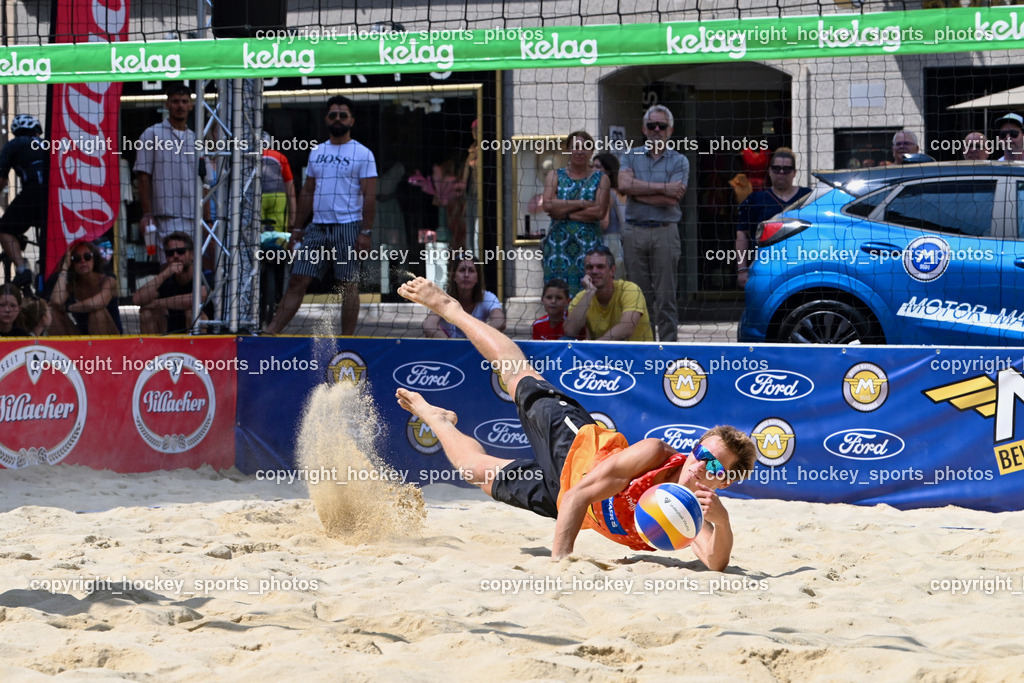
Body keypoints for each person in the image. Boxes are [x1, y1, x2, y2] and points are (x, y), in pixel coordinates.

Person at [395, 275, 756, 570]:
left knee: (475, 472)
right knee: (516, 375)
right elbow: (581, 493)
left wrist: (721, 523)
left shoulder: (689, 514)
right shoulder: (655, 454)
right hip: (574, 448)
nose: (698, 464)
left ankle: (435, 417)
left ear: (722, 479)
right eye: (700, 452)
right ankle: (450, 308)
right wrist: (561, 564)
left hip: (566, 499)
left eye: (713, 465)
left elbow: (714, 561)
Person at [265, 95, 378, 336]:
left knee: (348, 285)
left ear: (352, 120)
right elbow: (307, 191)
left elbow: (370, 196)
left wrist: (366, 232)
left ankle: (348, 341)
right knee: (297, 279)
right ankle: (271, 332)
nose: (338, 119)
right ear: (326, 119)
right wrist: (296, 229)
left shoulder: (363, 153)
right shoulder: (317, 152)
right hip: (317, 227)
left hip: (349, 226)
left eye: (343, 115)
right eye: (333, 115)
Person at [619, 105, 688, 342]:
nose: (656, 130)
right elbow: (624, 186)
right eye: (652, 126)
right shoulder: (630, 154)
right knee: (638, 297)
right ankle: (642, 348)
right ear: (643, 129)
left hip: (665, 231)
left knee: (666, 297)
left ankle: (668, 351)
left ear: (670, 130)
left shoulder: (680, 160)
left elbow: (674, 199)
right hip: (634, 230)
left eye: (662, 126)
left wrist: (638, 191)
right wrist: (664, 188)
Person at [135, 85, 203, 263]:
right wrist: (147, 214)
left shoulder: (197, 140)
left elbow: (204, 182)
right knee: (168, 269)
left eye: (184, 102)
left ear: (191, 105)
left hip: (194, 217)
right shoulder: (151, 135)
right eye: (175, 101)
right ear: (167, 105)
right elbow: (143, 176)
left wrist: (207, 221)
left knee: (193, 270)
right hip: (164, 218)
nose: (180, 106)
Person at [542, 131, 610, 296]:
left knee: (589, 293)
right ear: (567, 150)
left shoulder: (601, 178)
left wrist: (563, 213)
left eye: (586, 147)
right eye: (576, 147)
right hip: (558, 248)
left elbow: (599, 212)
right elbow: (548, 204)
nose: (580, 151)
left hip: (589, 247)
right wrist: (580, 203)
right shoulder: (554, 175)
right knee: (557, 294)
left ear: (592, 151)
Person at [735, 148, 812, 287]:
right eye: (776, 169)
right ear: (770, 171)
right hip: (765, 269)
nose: (781, 173)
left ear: (794, 173)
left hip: (802, 268)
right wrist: (742, 269)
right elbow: (742, 235)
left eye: (786, 169)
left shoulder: (808, 197)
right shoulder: (755, 199)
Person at [0, 114, 48, 290]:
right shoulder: (49, 144)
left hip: (32, 195)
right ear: (37, 131)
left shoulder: (12, 145)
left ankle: (22, 269)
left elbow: (1, 180)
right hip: (54, 197)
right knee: (52, 235)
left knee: (5, 228)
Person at [563, 247, 653, 342]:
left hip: (637, 354)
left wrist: (595, 346)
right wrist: (589, 292)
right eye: (589, 267)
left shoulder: (630, 290)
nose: (594, 271)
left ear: (612, 270)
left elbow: (626, 328)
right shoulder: (582, 297)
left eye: (600, 267)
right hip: (603, 354)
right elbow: (570, 331)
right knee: (565, 340)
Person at [132, 231, 211, 334]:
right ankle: (154, 349)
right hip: (172, 333)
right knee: (146, 313)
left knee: (192, 312)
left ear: (192, 255)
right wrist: (164, 274)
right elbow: (137, 299)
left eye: (181, 251)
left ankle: (197, 349)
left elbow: (193, 300)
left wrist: (157, 303)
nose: (175, 256)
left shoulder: (206, 276)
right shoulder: (167, 280)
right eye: (170, 253)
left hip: (206, 337)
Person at [49, 240, 123, 335]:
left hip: (112, 337)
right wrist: (64, 269)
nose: (83, 261)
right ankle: (64, 349)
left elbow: (96, 304)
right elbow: (56, 301)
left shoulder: (108, 280)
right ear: (71, 263)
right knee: (51, 311)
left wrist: (68, 307)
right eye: (76, 258)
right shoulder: (72, 284)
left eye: (87, 256)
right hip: (83, 336)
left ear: (93, 259)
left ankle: (99, 349)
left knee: (96, 312)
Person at [423, 255, 505, 338]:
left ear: (478, 278)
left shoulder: (488, 297)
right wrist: (453, 346)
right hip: (449, 349)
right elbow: (429, 326)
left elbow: (499, 321)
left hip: (476, 347)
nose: (466, 275)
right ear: (454, 276)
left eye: (471, 270)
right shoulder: (442, 298)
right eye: (462, 270)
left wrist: (478, 338)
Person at [592, 152, 627, 277]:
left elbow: (604, 223)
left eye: (597, 167)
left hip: (609, 243)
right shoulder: (620, 192)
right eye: (592, 166)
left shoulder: (606, 192)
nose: (593, 170)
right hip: (621, 243)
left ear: (608, 171)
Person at [261, 135, 296, 231]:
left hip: (257, 196)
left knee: (256, 230)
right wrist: (292, 221)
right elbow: (290, 189)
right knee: (278, 232)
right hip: (278, 196)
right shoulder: (280, 157)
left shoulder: (249, 156)